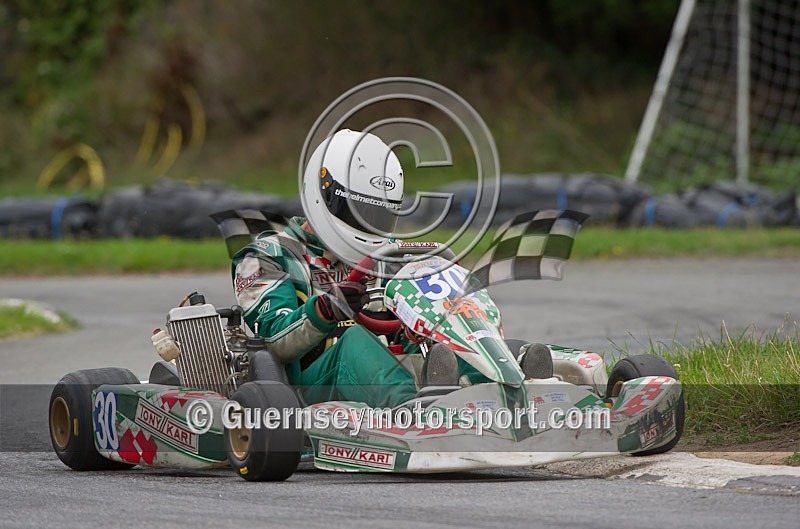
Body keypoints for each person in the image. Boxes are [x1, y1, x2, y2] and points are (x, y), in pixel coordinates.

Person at [231, 129, 462, 409]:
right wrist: (324, 310)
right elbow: (273, 341)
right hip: (306, 389)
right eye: (359, 212)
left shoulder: (392, 253)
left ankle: (500, 394)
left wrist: (422, 321)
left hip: (388, 369)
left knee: (447, 334)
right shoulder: (265, 257)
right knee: (354, 339)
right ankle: (414, 414)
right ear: (324, 194)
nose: (368, 225)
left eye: (378, 215)